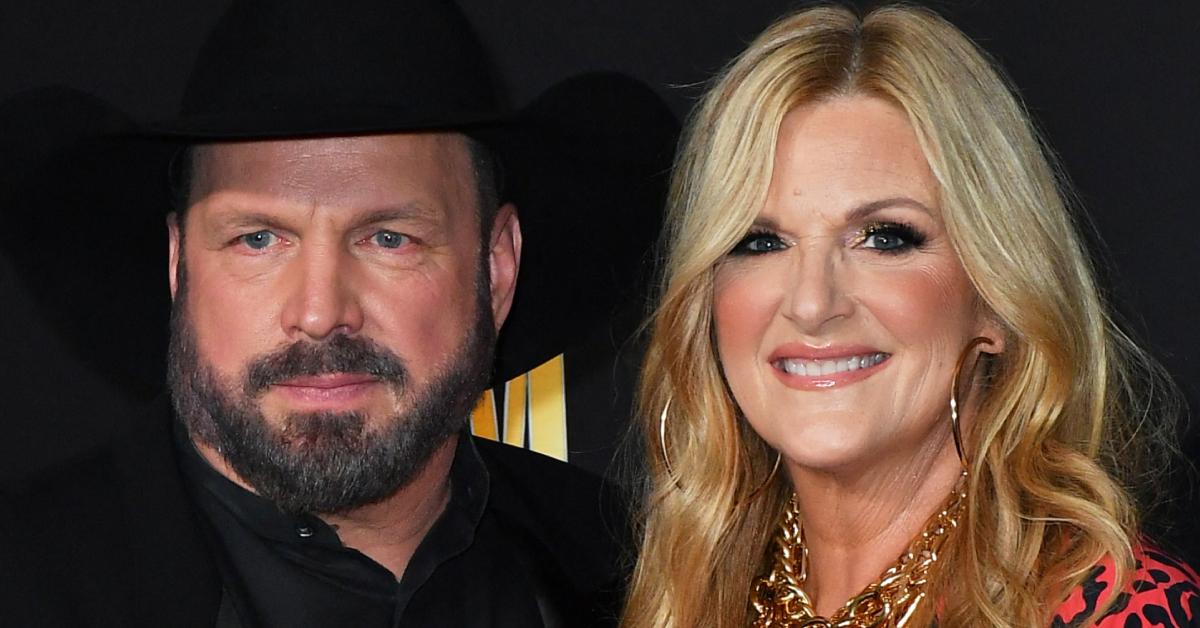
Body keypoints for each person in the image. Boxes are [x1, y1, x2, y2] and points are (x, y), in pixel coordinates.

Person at [0, 0, 678, 626]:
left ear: (496, 268)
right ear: (179, 267)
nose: (321, 313)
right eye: (258, 239)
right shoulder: (29, 581)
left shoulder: (636, 576)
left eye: (389, 238)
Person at [622, 4, 1199, 627]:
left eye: (885, 237)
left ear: (997, 297)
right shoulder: (690, 596)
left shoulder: (1116, 611)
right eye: (760, 242)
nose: (813, 303)